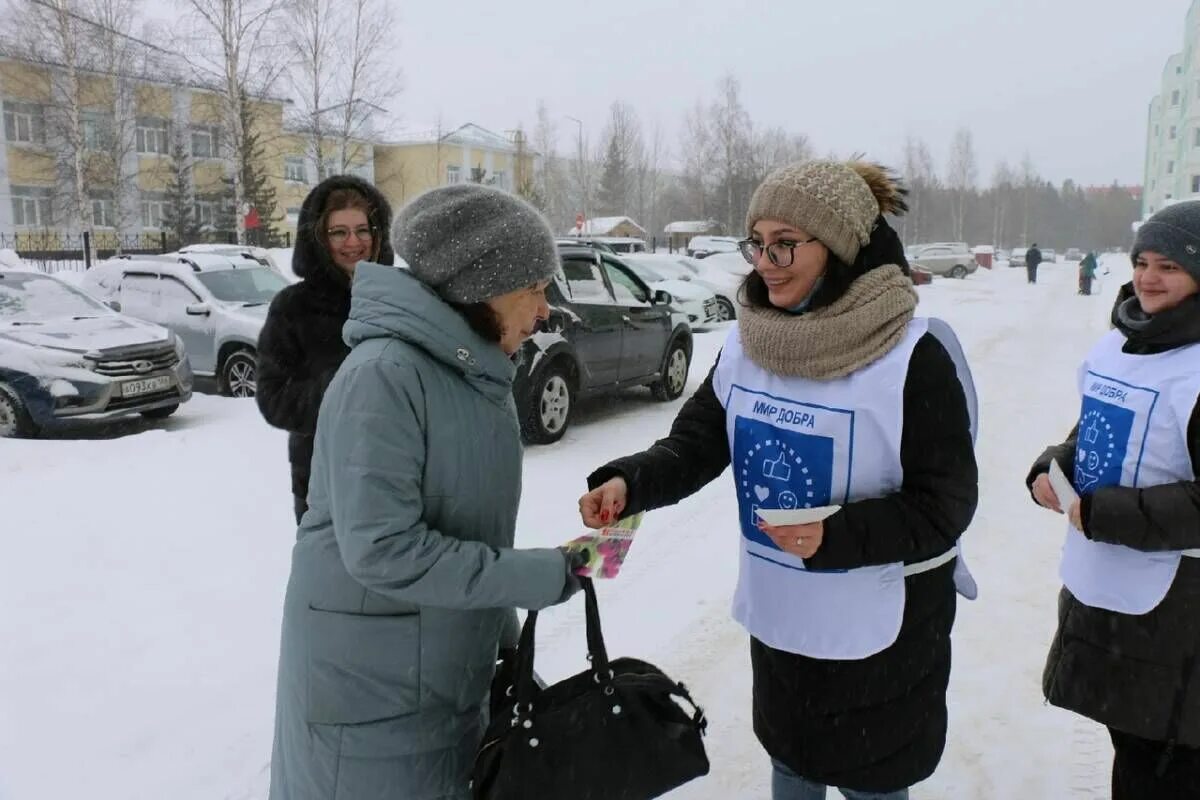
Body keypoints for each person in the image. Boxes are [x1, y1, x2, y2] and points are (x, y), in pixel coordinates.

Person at [578, 160, 979, 800]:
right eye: (758, 243)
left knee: (872, 781)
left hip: (882, 637)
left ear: (841, 248)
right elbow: (697, 443)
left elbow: (946, 505)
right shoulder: (747, 344)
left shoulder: (912, 356)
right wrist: (632, 482)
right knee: (792, 763)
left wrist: (836, 536)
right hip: (784, 623)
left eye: (786, 244)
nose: (766, 262)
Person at [269, 184, 584, 800]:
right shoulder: (384, 377)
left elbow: (466, 530)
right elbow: (382, 549)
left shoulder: (470, 373)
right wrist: (536, 577)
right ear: (480, 289)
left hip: (434, 683)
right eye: (534, 289)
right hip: (369, 703)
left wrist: (505, 647)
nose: (544, 310)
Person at [1028, 200, 1200, 800]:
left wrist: (1107, 514)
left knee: (1165, 766)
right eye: (1142, 262)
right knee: (1132, 747)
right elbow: (1094, 435)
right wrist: (1052, 467)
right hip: (1108, 590)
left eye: (1170, 267)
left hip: (1178, 614)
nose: (1148, 278)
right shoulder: (1119, 344)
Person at [256, 175, 394, 524]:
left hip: (398, 470)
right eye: (338, 232)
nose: (354, 242)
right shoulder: (293, 307)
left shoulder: (399, 298)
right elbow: (274, 400)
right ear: (318, 238)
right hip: (323, 478)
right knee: (330, 575)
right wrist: (344, 388)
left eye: (363, 230)